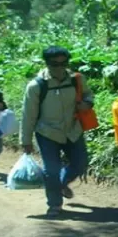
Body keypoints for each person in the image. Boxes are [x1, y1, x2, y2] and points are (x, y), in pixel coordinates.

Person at [19, 46, 94, 218]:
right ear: (46, 63)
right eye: (55, 64)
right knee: (51, 170)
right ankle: (54, 204)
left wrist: (87, 104)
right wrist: (26, 140)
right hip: (47, 133)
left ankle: (60, 183)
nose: (60, 67)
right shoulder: (37, 86)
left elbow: (89, 95)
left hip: (72, 130)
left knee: (80, 163)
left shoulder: (77, 80)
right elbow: (28, 115)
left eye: (64, 63)